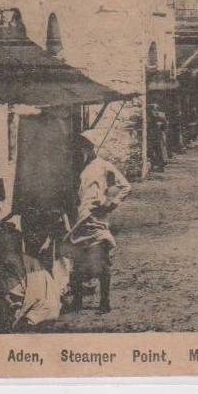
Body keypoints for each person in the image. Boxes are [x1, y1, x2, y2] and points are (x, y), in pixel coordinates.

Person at [64, 134, 130, 313]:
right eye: (78, 149)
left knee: (102, 262)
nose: (81, 152)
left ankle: (105, 302)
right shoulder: (77, 168)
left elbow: (125, 186)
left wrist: (109, 204)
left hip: (96, 221)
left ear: (91, 148)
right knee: (77, 264)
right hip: (78, 223)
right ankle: (77, 302)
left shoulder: (103, 166)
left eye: (85, 148)